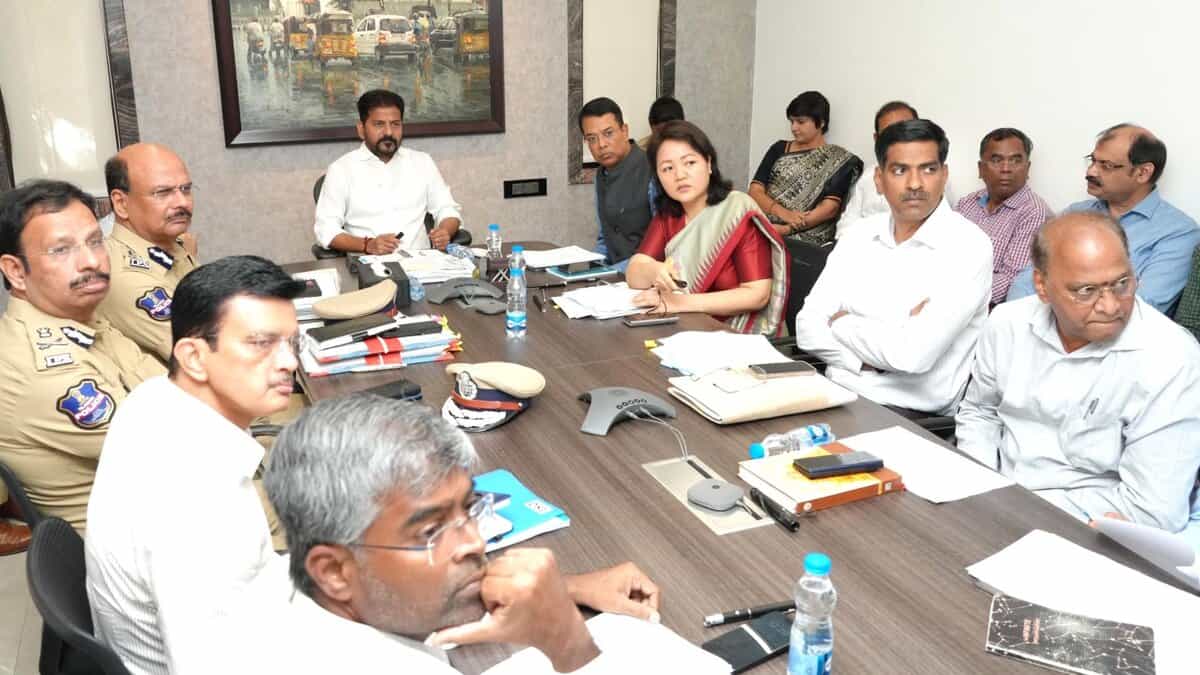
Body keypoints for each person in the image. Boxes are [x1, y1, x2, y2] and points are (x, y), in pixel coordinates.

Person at [257, 394, 726, 673]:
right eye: (431, 530)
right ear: (334, 571)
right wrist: (568, 642)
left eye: (468, 509)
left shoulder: (290, 581)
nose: (475, 543)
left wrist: (569, 587)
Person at [86, 255, 306, 675]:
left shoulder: (153, 396)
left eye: (290, 342)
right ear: (193, 357)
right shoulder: (203, 507)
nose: (289, 363)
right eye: (261, 343)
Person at [957, 211, 1200, 531]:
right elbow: (979, 413)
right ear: (1042, 286)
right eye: (1086, 291)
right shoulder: (1007, 324)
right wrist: (981, 486)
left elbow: (1154, 509)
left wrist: (1020, 506)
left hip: (1087, 528)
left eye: (1122, 284)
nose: (1110, 306)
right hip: (993, 501)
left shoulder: (1171, 357)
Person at [793, 119, 992, 415]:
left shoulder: (968, 246)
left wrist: (841, 322)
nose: (915, 184)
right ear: (879, 179)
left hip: (910, 414)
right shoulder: (858, 235)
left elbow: (912, 357)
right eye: (900, 170)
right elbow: (807, 326)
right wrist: (864, 360)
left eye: (928, 169)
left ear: (944, 175)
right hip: (835, 392)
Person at [0, 180, 164, 534]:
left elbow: (172, 393)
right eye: (61, 250)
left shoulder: (82, 317)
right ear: (16, 271)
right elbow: (168, 448)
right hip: (147, 540)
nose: (92, 261)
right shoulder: (42, 367)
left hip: (165, 507)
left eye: (95, 241)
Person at [1006, 124, 1200, 313]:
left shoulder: (1178, 232)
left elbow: (1142, 308)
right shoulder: (1075, 214)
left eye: (1106, 166)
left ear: (1143, 173)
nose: (1091, 171)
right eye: (1093, 160)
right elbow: (1028, 281)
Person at [627, 121, 790, 335]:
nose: (680, 175)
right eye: (667, 168)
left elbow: (757, 295)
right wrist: (654, 270)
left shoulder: (737, 210)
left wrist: (680, 302)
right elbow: (634, 273)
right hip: (687, 328)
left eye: (690, 163)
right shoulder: (669, 214)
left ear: (709, 163)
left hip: (738, 332)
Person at [314, 89, 463, 254]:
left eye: (395, 124)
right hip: (368, 263)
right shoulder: (341, 170)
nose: (389, 132)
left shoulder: (422, 162)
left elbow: (447, 209)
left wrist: (445, 231)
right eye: (379, 124)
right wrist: (368, 245)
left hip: (421, 261)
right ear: (361, 129)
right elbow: (326, 230)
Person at [95, 143, 199, 364]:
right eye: (163, 193)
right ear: (121, 204)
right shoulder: (123, 275)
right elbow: (203, 353)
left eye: (185, 189)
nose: (182, 202)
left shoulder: (174, 245)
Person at [748, 91, 862, 246]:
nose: (794, 128)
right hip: (763, 222)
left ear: (821, 123)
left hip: (806, 237)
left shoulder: (839, 160)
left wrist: (787, 229)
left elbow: (830, 208)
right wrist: (784, 213)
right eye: (792, 122)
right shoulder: (779, 149)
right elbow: (755, 191)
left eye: (801, 122)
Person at [955, 128, 1052, 306]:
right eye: (996, 160)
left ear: (1027, 168)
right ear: (981, 169)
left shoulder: (1034, 213)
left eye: (1015, 160)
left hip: (987, 309)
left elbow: (1011, 280)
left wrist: (954, 293)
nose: (1006, 169)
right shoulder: (966, 204)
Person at [579, 97, 654, 270]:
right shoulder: (600, 176)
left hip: (646, 275)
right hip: (613, 277)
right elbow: (604, 239)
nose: (601, 145)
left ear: (624, 131)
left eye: (608, 133)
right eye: (592, 139)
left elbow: (663, 245)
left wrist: (611, 272)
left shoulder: (652, 170)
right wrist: (592, 271)